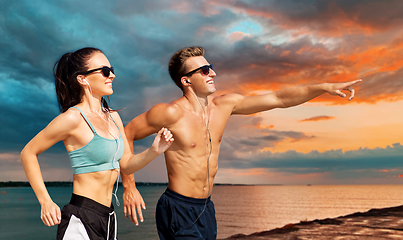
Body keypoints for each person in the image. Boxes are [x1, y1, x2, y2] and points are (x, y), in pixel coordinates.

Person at [122, 46, 362, 239]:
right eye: (204, 70)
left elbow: (278, 98)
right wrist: (130, 186)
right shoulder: (169, 113)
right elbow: (127, 132)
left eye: (211, 67)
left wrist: (323, 87)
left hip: (206, 208)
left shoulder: (225, 105)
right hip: (178, 208)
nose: (213, 73)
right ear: (186, 81)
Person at [20, 47, 173, 240]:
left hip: (108, 216)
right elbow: (28, 153)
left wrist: (154, 151)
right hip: (80, 218)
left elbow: (125, 164)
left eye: (112, 69)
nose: (113, 76)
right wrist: (45, 201)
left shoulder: (114, 117)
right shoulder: (72, 119)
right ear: (83, 79)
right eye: (105, 71)